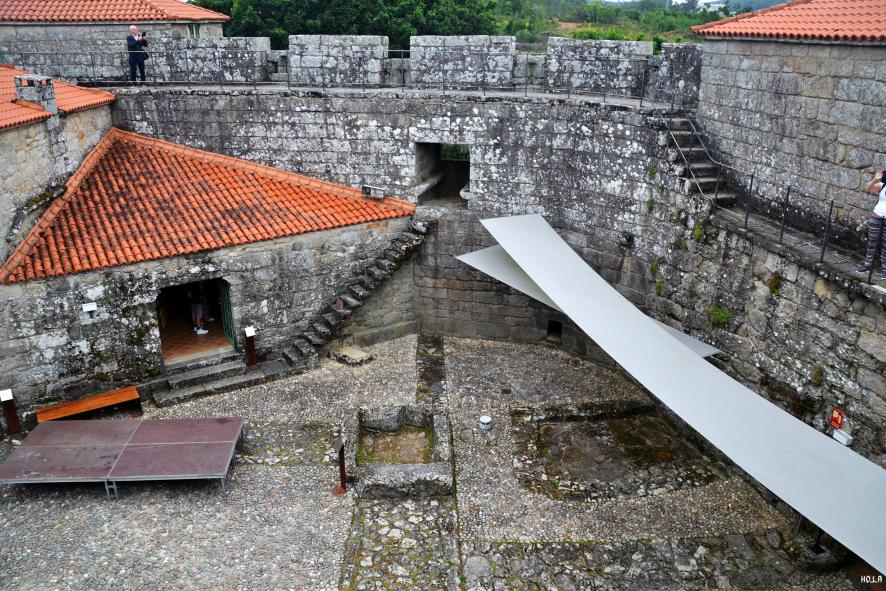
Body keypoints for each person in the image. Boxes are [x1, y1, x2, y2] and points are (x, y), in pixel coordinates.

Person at [856, 168, 886, 280]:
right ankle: (868, 265)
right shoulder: (883, 185)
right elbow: (869, 188)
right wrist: (876, 179)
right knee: (872, 241)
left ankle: (884, 268)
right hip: (877, 215)